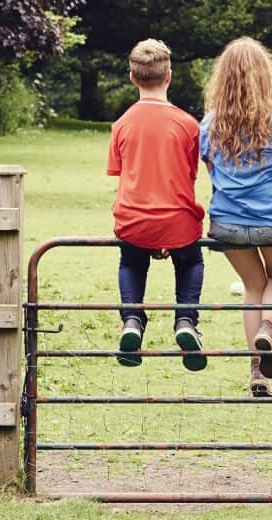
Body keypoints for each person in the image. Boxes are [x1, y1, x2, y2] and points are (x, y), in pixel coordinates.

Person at [200, 37, 272, 396]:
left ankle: (257, 370)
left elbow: (211, 170)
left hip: (226, 221)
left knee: (252, 286)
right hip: (271, 218)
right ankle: (268, 330)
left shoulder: (209, 124)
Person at [106, 39, 207, 371]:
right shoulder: (189, 125)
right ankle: (186, 321)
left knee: (131, 263)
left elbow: (119, 172)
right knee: (191, 262)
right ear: (169, 76)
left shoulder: (122, 124)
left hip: (133, 219)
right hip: (177, 219)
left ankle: (132, 319)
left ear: (133, 78)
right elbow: (190, 174)